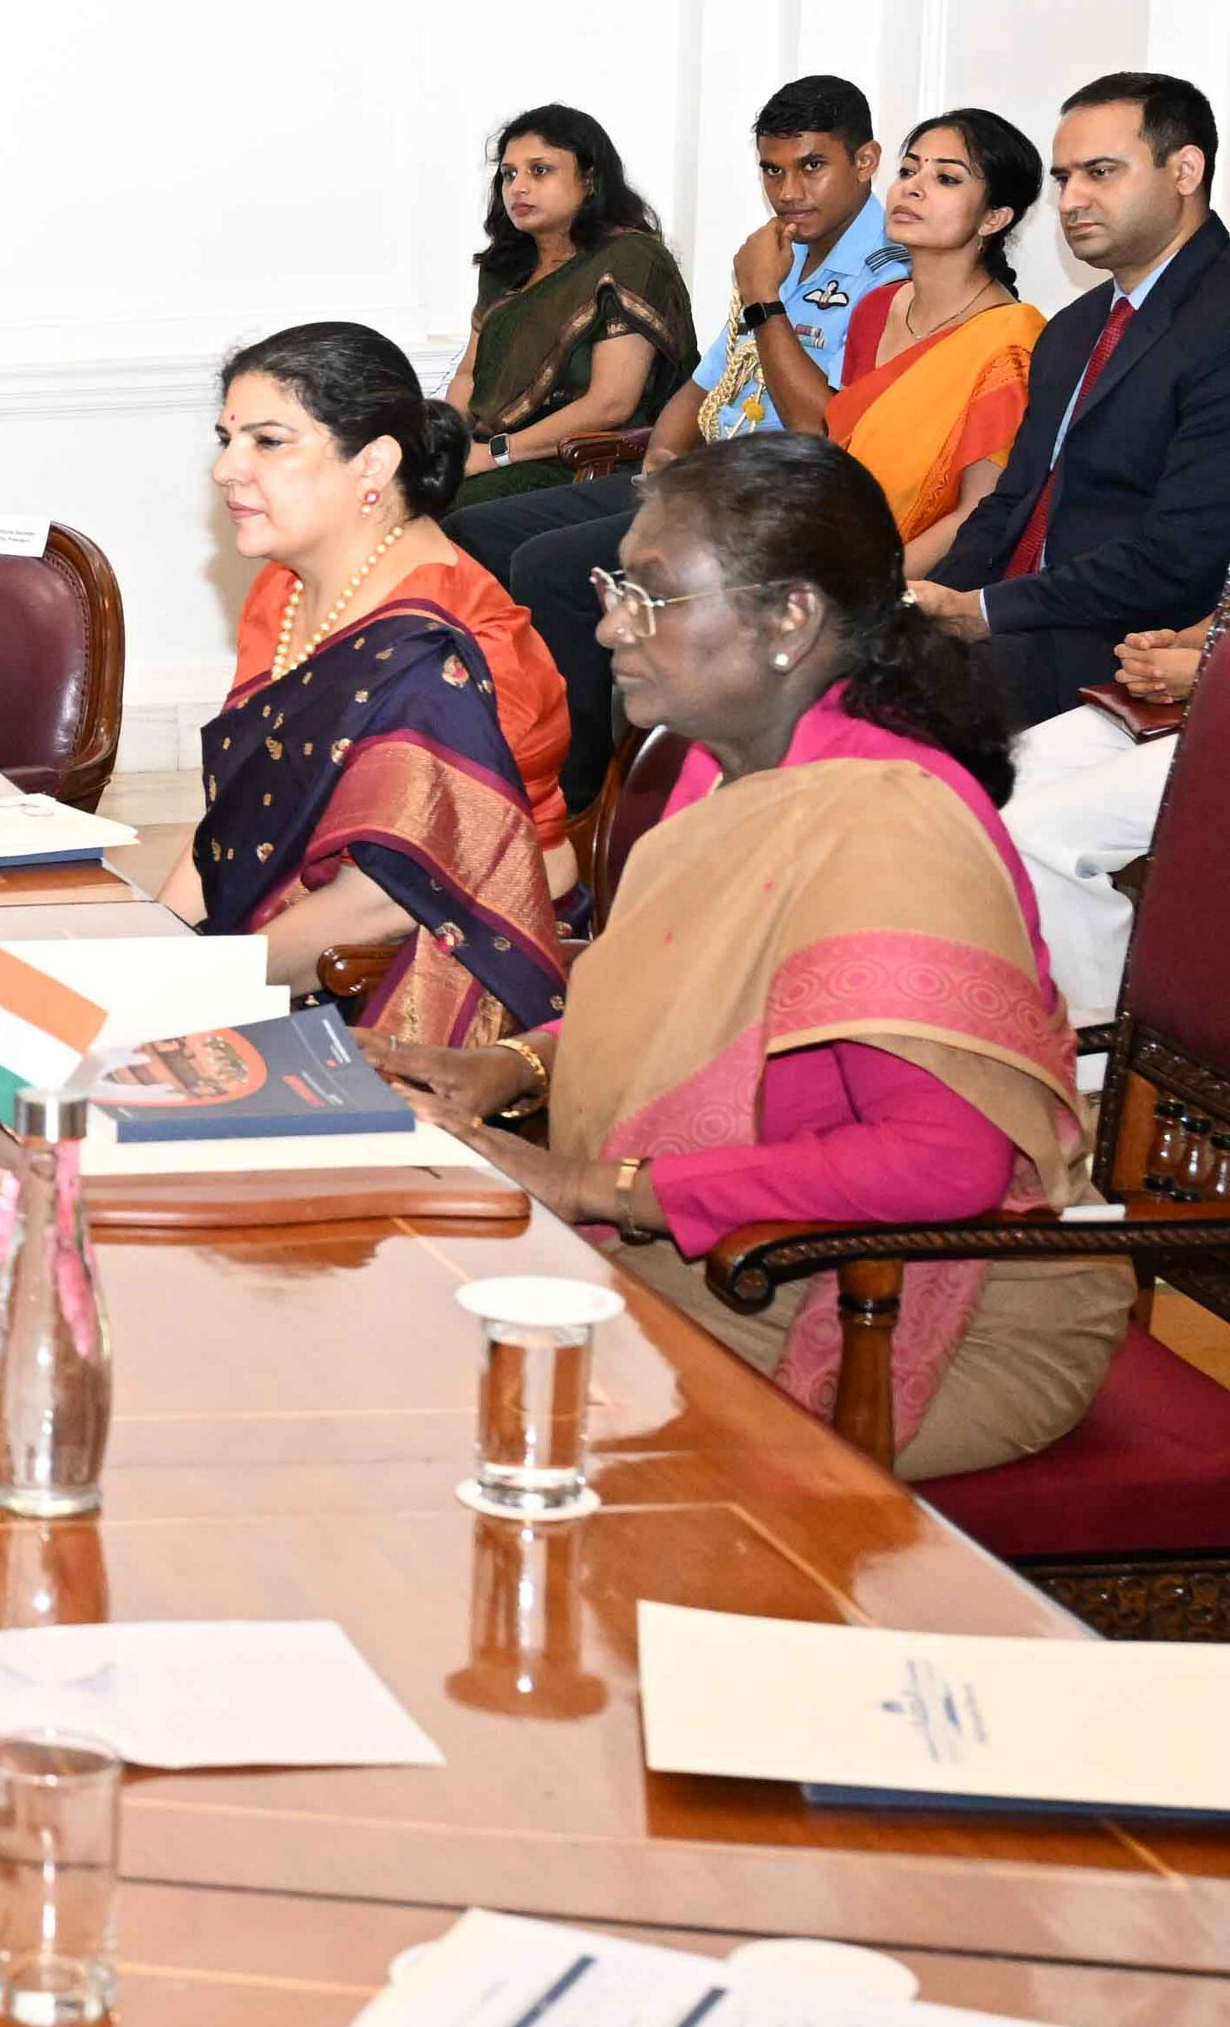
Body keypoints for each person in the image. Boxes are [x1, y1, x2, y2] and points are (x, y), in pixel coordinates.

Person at [383, 437, 1120, 1481]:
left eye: (651, 596)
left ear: (790, 620)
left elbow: (943, 1165)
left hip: (905, 1302)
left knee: (451, 1425)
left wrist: (587, 1184)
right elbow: (682, 1000)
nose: (611, 626)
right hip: (739, 1257)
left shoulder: (887, 822)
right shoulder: (730, 764)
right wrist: (514, 1066)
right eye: (615, 589)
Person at [449, 77, 903, 797]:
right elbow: (701, 384)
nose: (788, 191)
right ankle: (497, 747)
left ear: (866, 161)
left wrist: (763, 298)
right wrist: (664, 459)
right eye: (772, 170)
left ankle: (576, 795)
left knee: (549, 568)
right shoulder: (782, 251)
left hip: (777, 504)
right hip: (706, 482)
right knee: (474, 531)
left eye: (812, 166)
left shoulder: (889, 274)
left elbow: (824, 429)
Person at [172, 322, 571, 1037]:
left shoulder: (459, 645)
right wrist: (154, 942)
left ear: (375, 464)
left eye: (267, 442)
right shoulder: (282, 592)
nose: (226, 469)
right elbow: (238, 819)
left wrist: (183, 986)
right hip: (281, 946)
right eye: (226, 439)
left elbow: (385, 898)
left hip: (443, 962)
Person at [909, 71, 1230, 721]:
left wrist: (984, 612)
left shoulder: (1220, 318)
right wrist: (927, 604)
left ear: (1185, 171)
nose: (1071, 200)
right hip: (1020, 618)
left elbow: (1178, 559)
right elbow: (1010, 504)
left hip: (1134, 644)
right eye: (1063, 179)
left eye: (1100, 172)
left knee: (887, 709)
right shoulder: (1074, 328)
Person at [999, 563, 1226, 1027]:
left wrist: (1207, 667)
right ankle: (1008, 1015)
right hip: (1197, 702)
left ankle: (1100, 1047)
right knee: (985, 791)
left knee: (1036, 834)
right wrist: (1172, 648)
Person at [820, 107, 1046, 570]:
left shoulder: (1010, 341)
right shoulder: (876, 308)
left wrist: (871, 589)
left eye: (946, 179)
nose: (912, 187)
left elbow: (977, 514)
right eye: (908, 171)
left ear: (994, 218)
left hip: (921, 584)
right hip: (837, 550)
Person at [434, 103, 694, 504]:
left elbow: (611, 403)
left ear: (589, 179)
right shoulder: (505, 268)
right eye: (509, 174)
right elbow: (469, 375)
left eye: (540, 170)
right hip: (494, 452)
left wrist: (494, 455)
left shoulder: (629, 259)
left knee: (444, 511)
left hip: (585, 458)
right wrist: (451, 445)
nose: (518, 187)